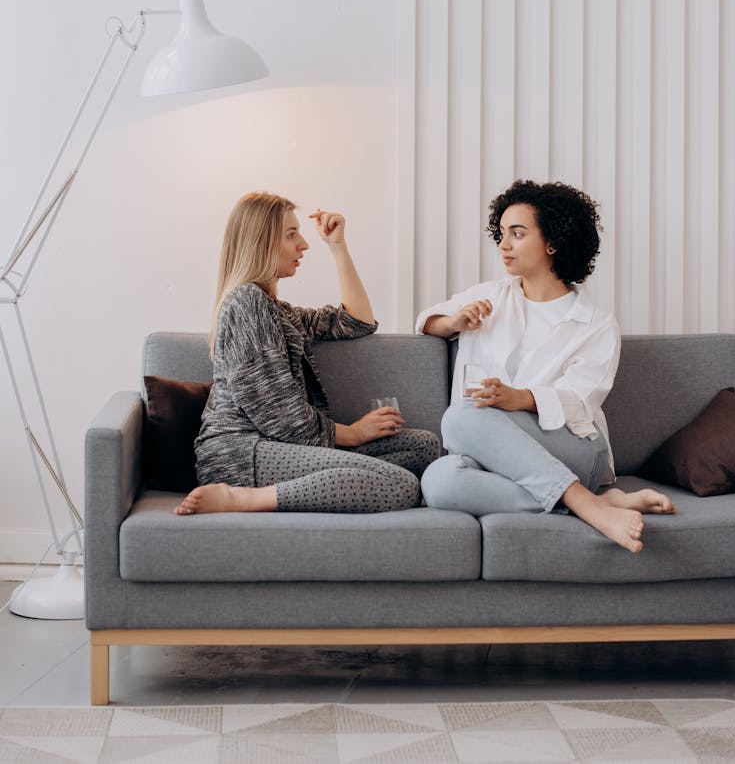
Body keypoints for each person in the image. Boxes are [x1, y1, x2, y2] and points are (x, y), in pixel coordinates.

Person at [416, 180, 675, 552]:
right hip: (495, 454)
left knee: (460, 416)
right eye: (502, 233)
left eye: (517, 234)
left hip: (569, 446)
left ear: (553, 241)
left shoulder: (596, 323)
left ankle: (584, 499)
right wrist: (454, 323)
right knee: (439, 482)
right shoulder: (489, 295)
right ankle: (591, 503)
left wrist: (519, 397)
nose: (504, 244)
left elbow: (581, 399)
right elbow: (427, 319)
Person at [175, 192, 439, 516]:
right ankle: (241, 499)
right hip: (243, 454)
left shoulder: (279, 312)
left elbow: (358, 322)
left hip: (281, 447)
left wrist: (337, 246)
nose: (303, 244)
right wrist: (354, 433)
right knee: (401, 487)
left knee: (423, 446)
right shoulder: (246, 303)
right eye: (291, 234)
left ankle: (332, 480)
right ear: (261, 242)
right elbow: (284, 419)